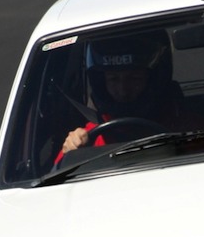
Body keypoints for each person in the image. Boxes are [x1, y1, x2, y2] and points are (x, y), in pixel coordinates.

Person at [54, 31, 190, 165]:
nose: (123, 90)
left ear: (153, 80)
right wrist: (69, 155)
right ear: (101, 82)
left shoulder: (186, 129)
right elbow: (58, 175)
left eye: (134, 78)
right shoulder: (87, 139)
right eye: (113, 79)